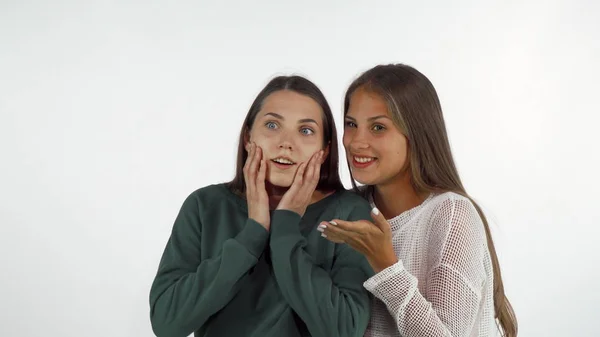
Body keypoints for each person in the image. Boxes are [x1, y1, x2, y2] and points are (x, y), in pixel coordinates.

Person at [149, 75, 374, 337]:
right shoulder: (205, 206)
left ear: (324, 151)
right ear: (248, 137)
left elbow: (344, 329)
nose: (286, 143)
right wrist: (253, 231)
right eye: (272, 125)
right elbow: (167, 323)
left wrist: (286, 226)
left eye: (306, 131)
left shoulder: (348, 213)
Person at [319, 64, 518, 337]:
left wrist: (386, 266)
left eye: (378, 127)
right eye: (351, 124)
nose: (356, 142)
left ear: (416, 134)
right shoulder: (345, 209)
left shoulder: (450, 215)